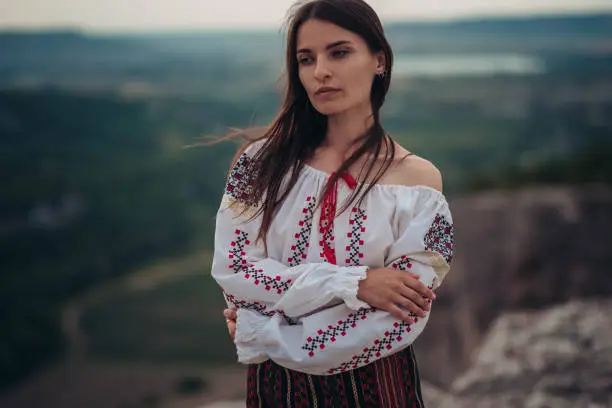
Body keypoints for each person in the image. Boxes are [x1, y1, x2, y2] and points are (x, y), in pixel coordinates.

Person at [210, 0, 455, 406]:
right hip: (277, 389)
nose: (320, 71)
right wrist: (355, 283)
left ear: (379, 60)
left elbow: (401, 317)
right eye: (306, 59)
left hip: (378, 387)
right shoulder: (258, 165)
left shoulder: (419, 184)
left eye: (339, 52)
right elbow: (235, 273)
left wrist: (267, 330)